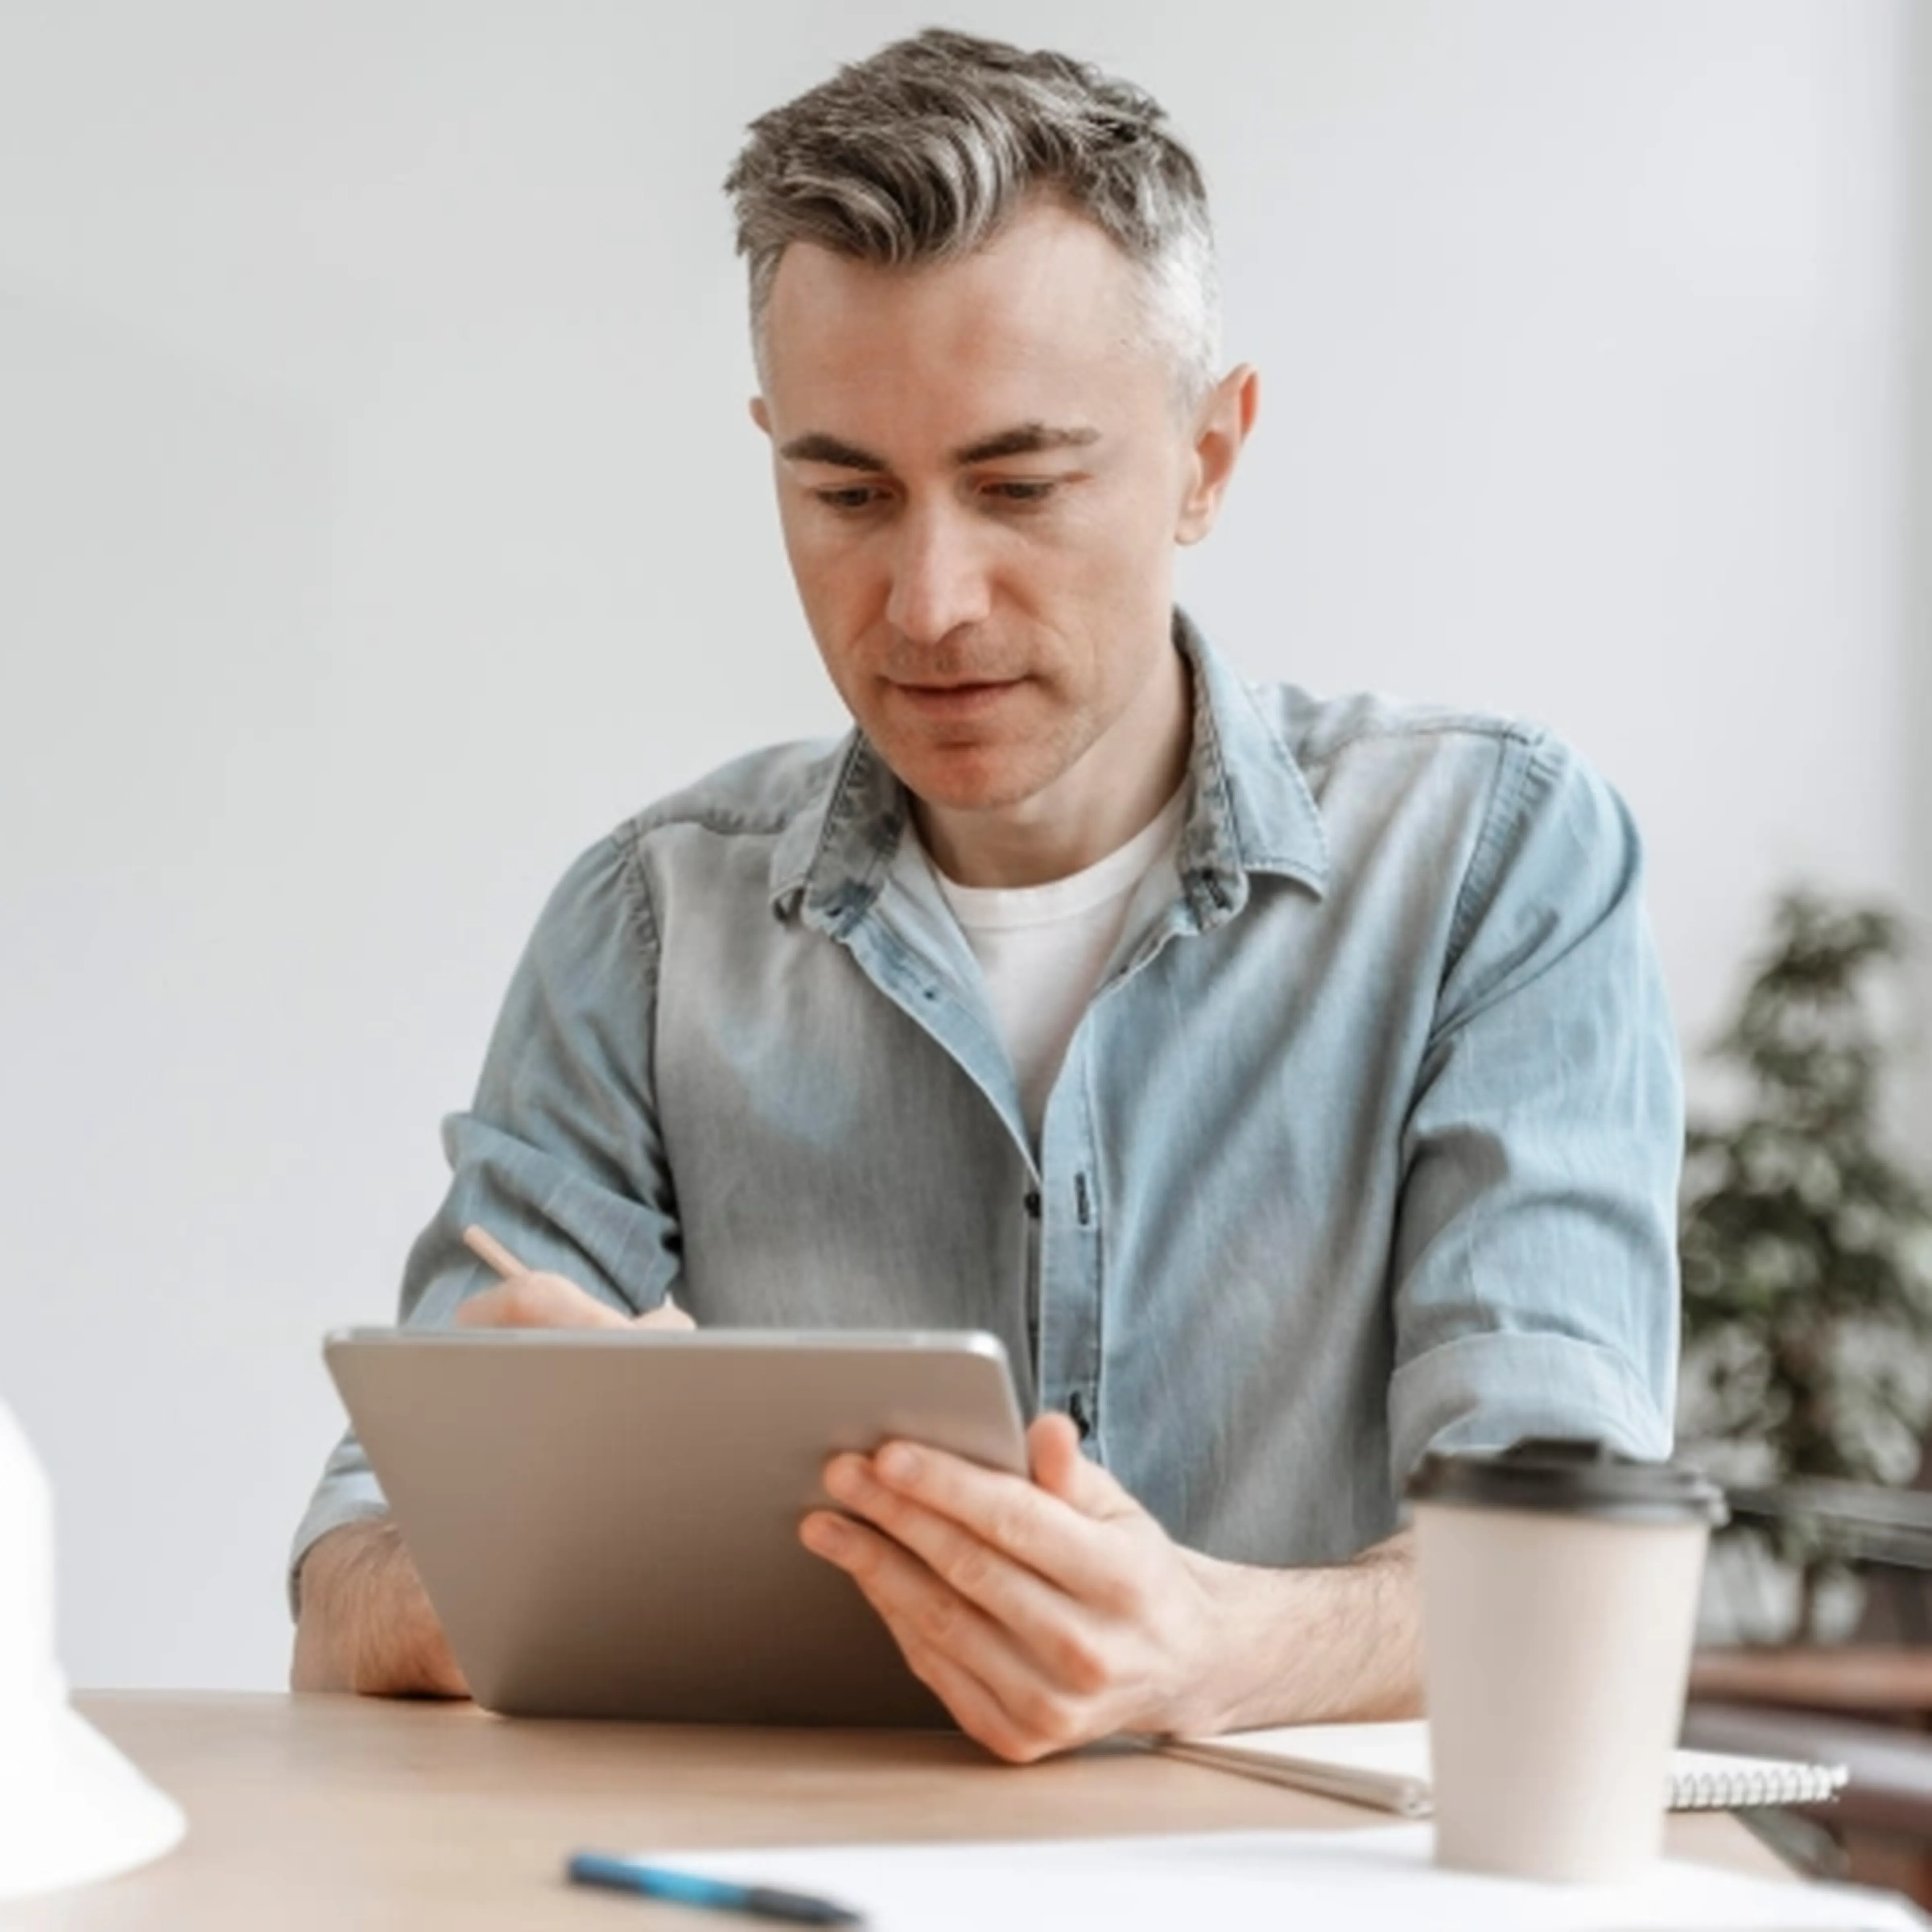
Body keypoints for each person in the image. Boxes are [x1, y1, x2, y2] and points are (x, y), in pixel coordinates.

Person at [290, 28, 1682, 1762]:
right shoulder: (650, 928)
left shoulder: (1492, 863)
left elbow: (1576, 1573)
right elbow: (344, 1590)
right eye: (846, 492)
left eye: (1021, 484)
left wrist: (1208, 1647)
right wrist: (589, 1520)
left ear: (1209, 461)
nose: (928, 599)